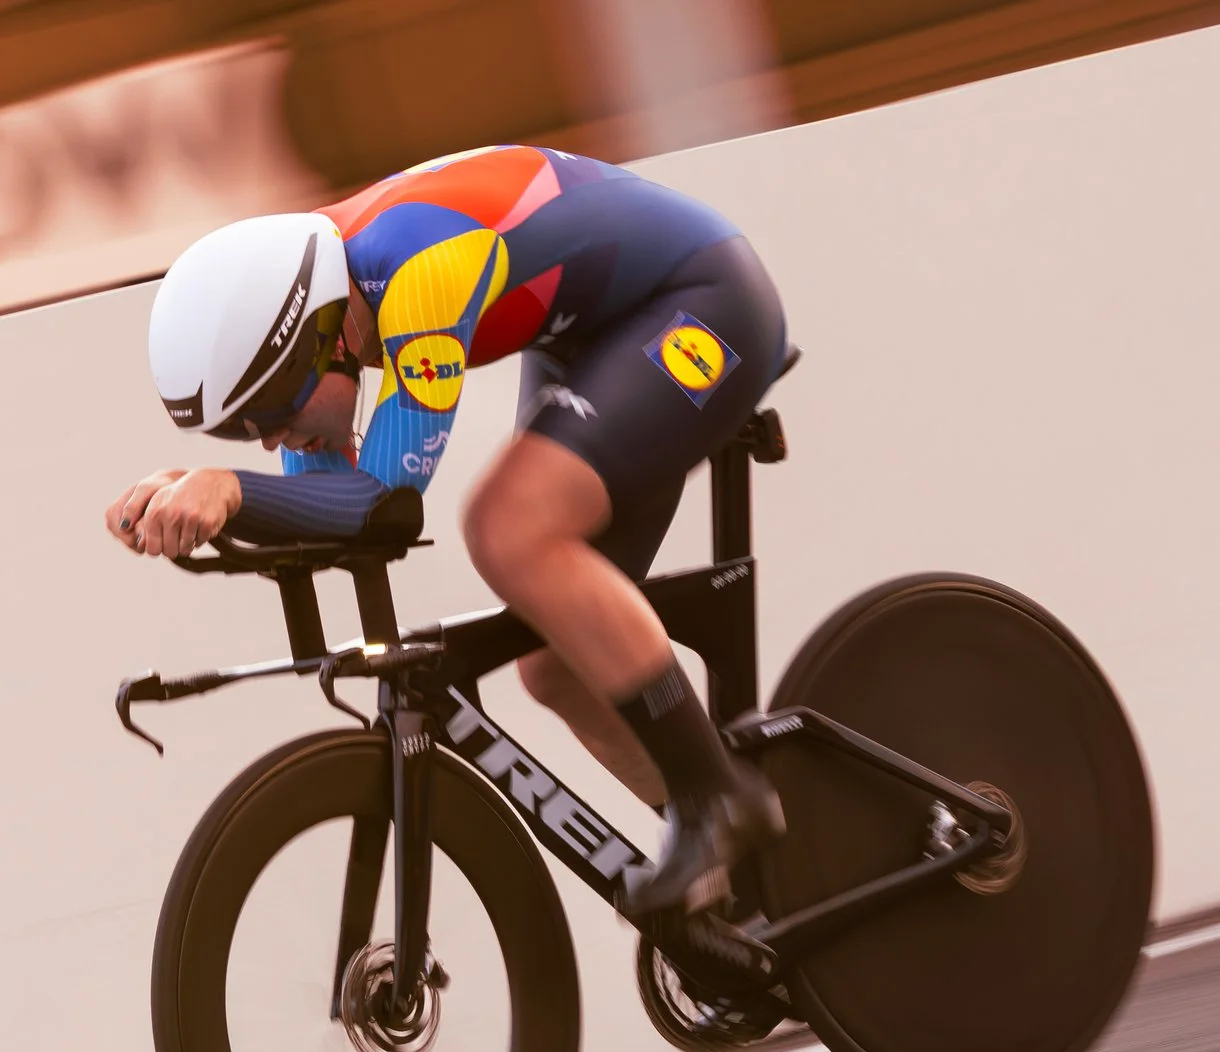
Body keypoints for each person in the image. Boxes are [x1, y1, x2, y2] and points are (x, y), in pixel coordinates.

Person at [104, 143, 786, 919]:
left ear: (326, 341)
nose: (268, 441)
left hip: (703, 299)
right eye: (241, 431)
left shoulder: (421, 270)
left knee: (507, 527)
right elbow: (331, 515)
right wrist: (197, 498)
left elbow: (382, 504)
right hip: (597, 335)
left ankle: (716, 799)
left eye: (269, 412)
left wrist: (229, 490)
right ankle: (743, 875)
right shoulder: (327, 296)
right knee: (556, 666)